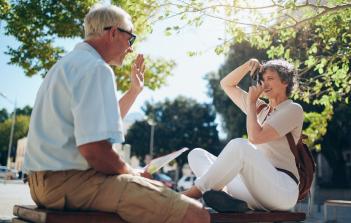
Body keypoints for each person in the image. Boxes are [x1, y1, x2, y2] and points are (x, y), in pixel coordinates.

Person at [23, 4, 210, 223]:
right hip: (72, 183)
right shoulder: (97, 69)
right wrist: (132, 172)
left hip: (42, 186)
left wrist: (133, 92)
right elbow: (94, 151)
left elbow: (96, 125)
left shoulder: (65, 65)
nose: (130, 48)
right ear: (113, 32)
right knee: (196, 215)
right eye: (130, 38)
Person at [183, 58, 304, 212]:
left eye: (270, 79)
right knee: (196, 155)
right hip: (253, 193)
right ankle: (228, 200)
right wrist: (248, 65)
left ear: (285, 82)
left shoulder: (293, 109)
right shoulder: (261, 109)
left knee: (240, 145)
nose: (264, 84)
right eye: (262, 79)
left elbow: (255, 138)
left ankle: (194, 192)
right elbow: (226, 84)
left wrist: (252, 103)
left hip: (282, 191)